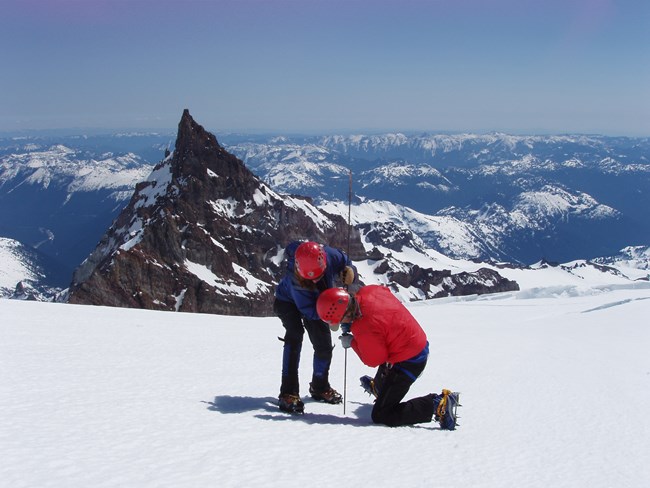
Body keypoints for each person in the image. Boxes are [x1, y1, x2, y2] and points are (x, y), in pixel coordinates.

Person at [316, 284, 460, 429]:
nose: (341, 324)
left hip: (409, 361)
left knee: (382, 414)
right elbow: (384, 293)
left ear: (345, 314)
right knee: (383, 348)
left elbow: (373, 360)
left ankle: (438, 404)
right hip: (414, 342)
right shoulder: (369, 291)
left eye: (340, 320)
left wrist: (353, 342)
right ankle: (380, 387)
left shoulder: (364, 327)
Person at [274, 240, 356, 414]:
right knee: (295, 336)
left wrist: (350, 271)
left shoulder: (330, 255)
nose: (316, 280)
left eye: (319, 276)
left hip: (321, 302)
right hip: (287, 302)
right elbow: (311, 312)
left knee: (324, 346)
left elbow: (345, 260)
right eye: (312, 278)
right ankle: (288, 392)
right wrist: (332, 317)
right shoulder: (296, 282)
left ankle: (319, 386)